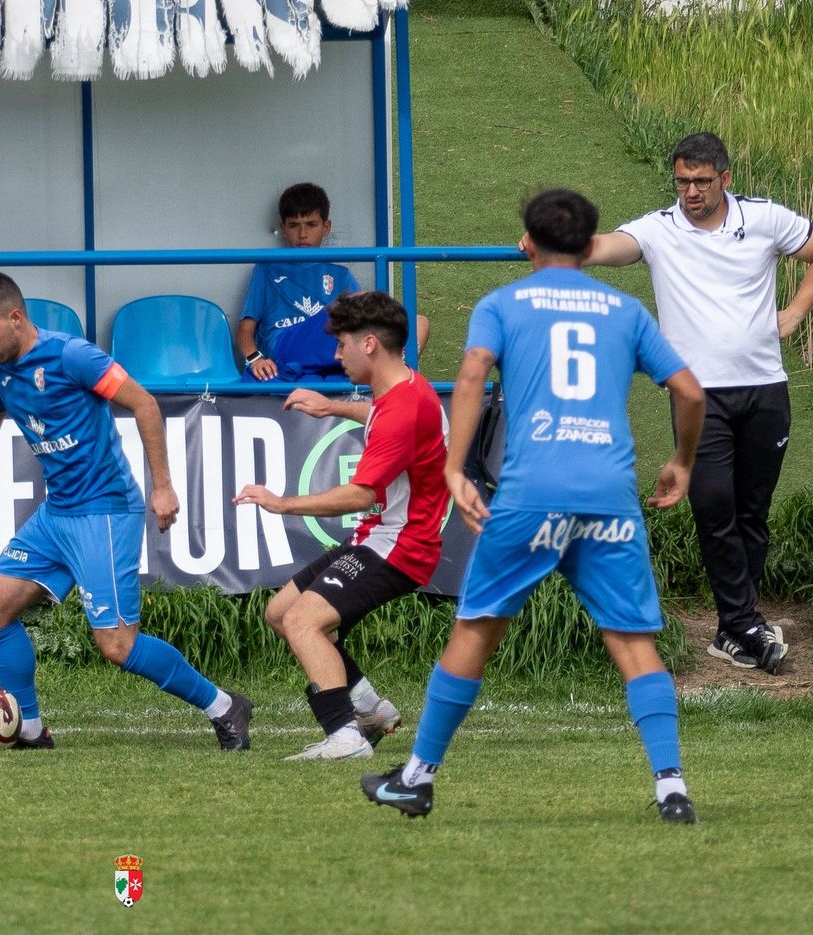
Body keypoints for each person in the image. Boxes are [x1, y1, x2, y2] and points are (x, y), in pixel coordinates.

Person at [364, 189, 706, 823]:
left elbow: (471, 375)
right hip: (607, 495)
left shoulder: (502, 304)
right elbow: (688, 390)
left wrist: (454, 466)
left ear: (528, 241)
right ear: (590, 245)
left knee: (477, 628)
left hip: (531, 497)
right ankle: (671, 787)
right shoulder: (625, 310)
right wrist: (682, 461)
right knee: (632, 643)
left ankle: (417, 778)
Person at [0, 271, 252, 751]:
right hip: (59, 514)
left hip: (106, 512)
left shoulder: (72, 355)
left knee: (116, 645)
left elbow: (145, 404)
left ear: (15, 317)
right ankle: (29, 730)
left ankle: (223, 706)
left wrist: (163, 487)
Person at [573, 131, 813, 674]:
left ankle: (734, 626)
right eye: (682, 181)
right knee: (713, 504)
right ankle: (745, 625)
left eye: (700, 181)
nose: (690, 191)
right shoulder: (659, 228)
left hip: (766, 386)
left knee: (752, 511)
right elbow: (605, 248)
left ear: (724, 178)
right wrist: (557, 244)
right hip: (699, 395)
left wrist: (794, 312)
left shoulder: (763, 218)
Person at [233, 290, 449, 760]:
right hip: (380, 539)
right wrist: (333, 407)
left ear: (369, 344)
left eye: (341, 344)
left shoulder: (402, 408)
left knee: (301, 622)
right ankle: (370, 709)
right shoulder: (404, 389)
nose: (336, 355)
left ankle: (346, 737)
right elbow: (379, 419)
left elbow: (359, 495)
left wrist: (281, 503)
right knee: (279, 614)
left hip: (398, 547)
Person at [236, 182, 428, 382]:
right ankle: (394, 370)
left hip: (334, 351)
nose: (303, 234)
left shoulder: (340, 274)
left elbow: (363, 320)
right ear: (284, 228)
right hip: (286, 346)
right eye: (294, 225)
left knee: (419, 323)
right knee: (358, 304)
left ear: (326, 227)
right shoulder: (267, 269)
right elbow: (245, 330)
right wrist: (256, 359)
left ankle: (398, 376)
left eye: (311, 225)